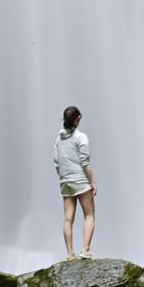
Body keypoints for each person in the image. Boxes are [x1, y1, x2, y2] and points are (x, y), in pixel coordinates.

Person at [53, 105, 97, 260]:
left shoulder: (59, 139)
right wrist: (92, 182)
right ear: (78, 119)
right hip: (81, 181)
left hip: (66, 182)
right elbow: (85, 163)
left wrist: (65, 177)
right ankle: (85, 250)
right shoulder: (81, 137)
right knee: (89, 215)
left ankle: (70, 254)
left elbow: (57, 161)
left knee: (67, 219)